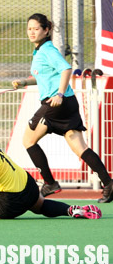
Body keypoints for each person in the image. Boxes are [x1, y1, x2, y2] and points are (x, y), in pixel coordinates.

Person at [11, 13, 113, 203]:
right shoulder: (40, 51)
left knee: (28, 140)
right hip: (68, 102)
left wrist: (58, 94)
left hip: (55, 103)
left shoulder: (47, 50)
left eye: (36, 28)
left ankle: (50, 183)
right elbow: (45, 76)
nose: (32, 32)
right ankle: (108, 183)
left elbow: (65, 69)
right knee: (79, 147)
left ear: (46, 30)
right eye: (29, 28)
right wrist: (25, 81)